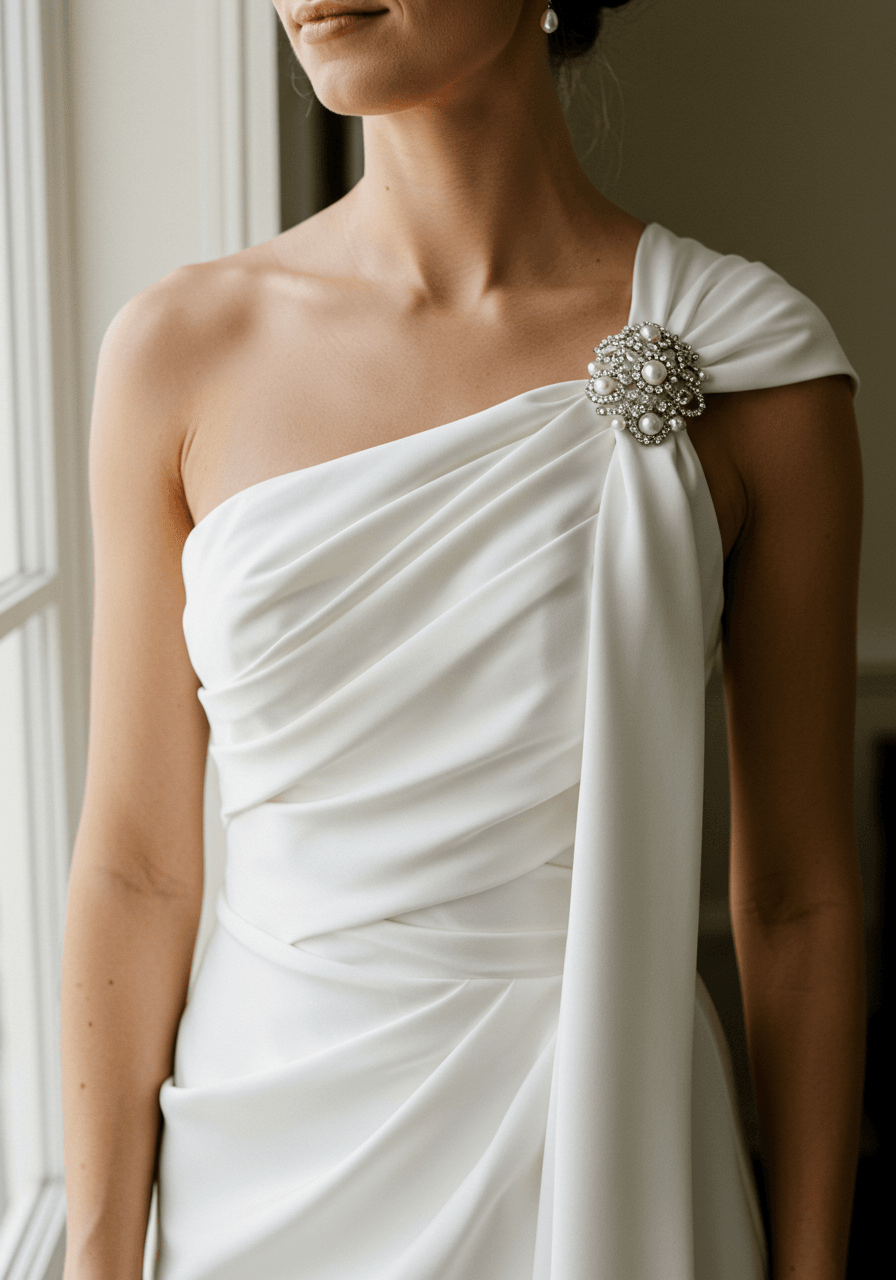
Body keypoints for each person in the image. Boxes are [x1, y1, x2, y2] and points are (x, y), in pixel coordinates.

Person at [60, 2, 866, 1278]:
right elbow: (139, 868)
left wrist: (811, 1261)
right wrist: (96, 1256)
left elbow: (795, 898)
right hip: (261, 1173)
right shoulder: (177, 352)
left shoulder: (753, 368)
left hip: (602, 1151)